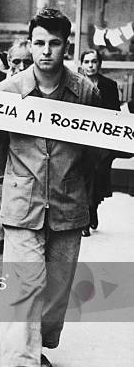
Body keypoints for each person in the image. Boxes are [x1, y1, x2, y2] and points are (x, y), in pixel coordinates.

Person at [0, 8, 102, 367]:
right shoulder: (8, 92)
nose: (46, 51)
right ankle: (23, 365)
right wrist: (16, 181)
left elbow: (94, 149)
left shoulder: (85, 92)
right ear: (30, 43)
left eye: (54, 43)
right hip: (24, 202)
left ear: (66, 45)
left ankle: (40, 347)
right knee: (24, 284)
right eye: (39, 43)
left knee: (56, 287)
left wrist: (76, 183)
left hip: (69, 202)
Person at [0, 40, 33, 253]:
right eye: (17, 61)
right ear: (8, 62)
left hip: (29, 178)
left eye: (27, 61)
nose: (22, 67)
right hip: (0, 174)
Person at [79, 48, 122, 237]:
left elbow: (115, 114)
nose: (90, 65)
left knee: (98, 177)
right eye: (87, 62)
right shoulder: (76, 83)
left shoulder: (110, 85)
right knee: (83, 178)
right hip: (80, 141)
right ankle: (85, 218)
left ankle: (93, 207)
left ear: (100, 63)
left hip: (102, 143)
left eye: (94, 61)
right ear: (81, 64)